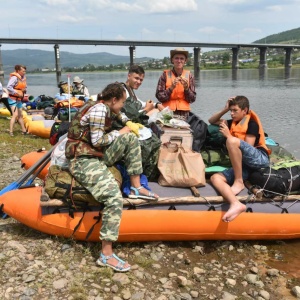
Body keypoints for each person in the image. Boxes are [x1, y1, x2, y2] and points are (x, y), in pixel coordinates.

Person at [65, 82, 159, 272]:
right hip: (83, 159)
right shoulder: (99, 110)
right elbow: (98, 141)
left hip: (96, 154)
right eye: (122, 102)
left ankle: (135, 187)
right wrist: (119, 132)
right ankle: (106, 255)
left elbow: (120, 115)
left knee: (131, 138)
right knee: (113, 198)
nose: (123, 106)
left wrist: (129, 124)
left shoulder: (107, 106)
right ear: (114, 99)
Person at [208, 96, 271, 222]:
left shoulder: (252, 124)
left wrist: (228, 136)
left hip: (259, 159)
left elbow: (248, 148)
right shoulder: (233, 122)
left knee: (231, 141)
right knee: (215, 178)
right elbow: (211, 120)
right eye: (230, 110)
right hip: (245, 166)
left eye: (234, 110)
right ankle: (235, 203)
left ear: (245, 110)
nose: (232, 114)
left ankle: (239, 181)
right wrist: (224, 109)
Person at [155, 47, 196, 121]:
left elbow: (192, 99)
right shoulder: (164, 75)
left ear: (185, 61)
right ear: (172, 60)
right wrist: (171, 88)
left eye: (182, 58)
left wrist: (186, 89)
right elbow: (159, 97)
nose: (179, 61)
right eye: (176, 58)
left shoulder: (189, 76)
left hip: (184, 114)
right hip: (167, 112)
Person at [7, 64, 28, 136]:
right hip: (12, 98)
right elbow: (9, 87)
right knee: (15, 115)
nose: (24, 72)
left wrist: (24, 90)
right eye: (23, 71)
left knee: (20, 115)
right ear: (18, 71)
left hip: (19, 99)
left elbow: (25, 86)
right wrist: (16, 92)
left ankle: (24, 131)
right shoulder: (14, 78)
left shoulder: (23, 78)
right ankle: (11, 131)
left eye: (25, 71)